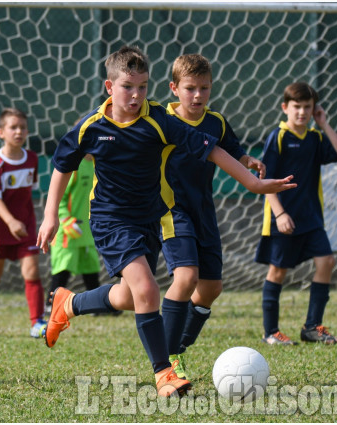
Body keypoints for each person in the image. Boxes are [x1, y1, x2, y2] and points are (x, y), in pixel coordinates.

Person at [36, 45, 296, 398]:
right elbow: (62, 165)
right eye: (128, 86)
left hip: (149, 219)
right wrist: (51, 215)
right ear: (109, 87)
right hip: (111, 220)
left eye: (143, 86)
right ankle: (164, 373)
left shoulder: (158, 119)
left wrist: (252, 183)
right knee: (148, 291)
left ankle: (69, 304)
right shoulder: (91, 127)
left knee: (130, 296)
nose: (137, 95)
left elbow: (212, 149)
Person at [158, 53, 268, 380]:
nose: (197, 95)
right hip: (170, 210)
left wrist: (248, 160)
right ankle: (167, 357)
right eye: (190, 88)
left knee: (212, 287)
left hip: (204, 211)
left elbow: (233, 149)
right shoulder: (161, 120)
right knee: (186, 277)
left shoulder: (215, 122)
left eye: (204, 88)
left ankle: (180, 342)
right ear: (174, 88)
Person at [255, 81, 337, 345]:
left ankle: (312, 327)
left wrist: (324, 123)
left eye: (308, 107)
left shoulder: (315, 137)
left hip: (311, 218)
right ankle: (271, 333)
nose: (302, 112)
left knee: (327, 261)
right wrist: (280, 214)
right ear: (285, 107)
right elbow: (266, 179)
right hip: (282, 217)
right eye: (297, 107)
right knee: (278, 272)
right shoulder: (279, 136)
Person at [0, 107, 46, 339]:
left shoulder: (33, 159)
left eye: (23, 128)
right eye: (13, 127)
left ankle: (37, 323)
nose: (19, 132)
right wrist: (11, 221)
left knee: (32, 271)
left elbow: (29, 192)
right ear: (1, 132)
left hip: (25, 224)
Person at [45, 153, 105, 315]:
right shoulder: (73, 167)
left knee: (91, 267)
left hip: (88, 230)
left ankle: (97, 307)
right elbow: (59, 198)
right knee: (63, 268)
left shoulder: (99, 164)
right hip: (67, 230)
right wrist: (65, 219)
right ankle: (50, 305)